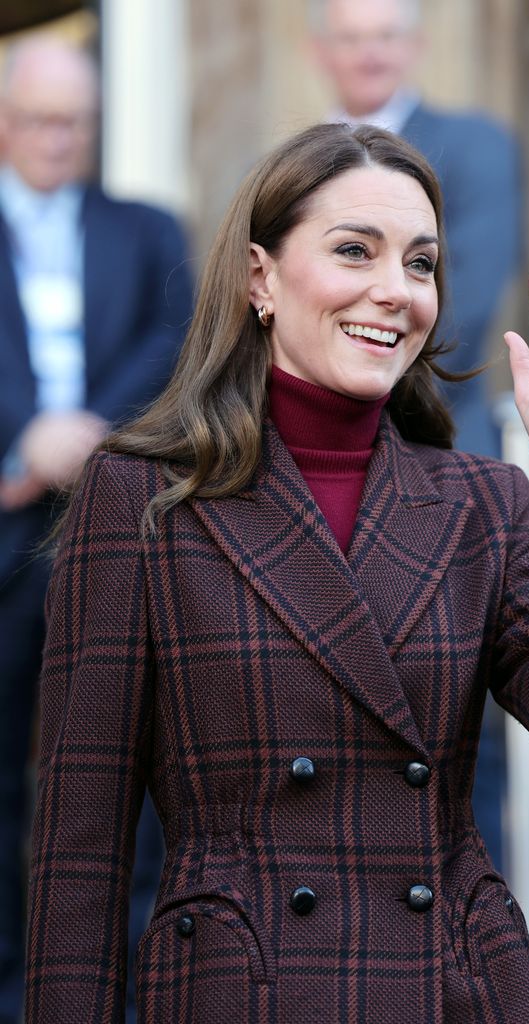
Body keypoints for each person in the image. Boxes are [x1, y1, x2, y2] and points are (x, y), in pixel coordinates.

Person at [26, 123, 529, 1024]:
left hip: (457, 988)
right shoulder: (141, 496)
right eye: (353, 251)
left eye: (421, 263)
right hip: (243, 990)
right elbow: (81, 843)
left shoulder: (480, 498)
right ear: (260, 278)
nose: (393, 291)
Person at [0, 37, 193, 1024]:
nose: (57, 139)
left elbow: (174, 341)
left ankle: (129, 980)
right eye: (38, 119)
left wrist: (81, 436)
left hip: (119, 528)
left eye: (73, 121)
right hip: (4, 527)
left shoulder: (150, 230)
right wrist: (22, 444)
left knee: (133, 759)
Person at [309, 0, 523, 871]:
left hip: (439, 459)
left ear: (417, 46)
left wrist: (342, 368)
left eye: (386, 34)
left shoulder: (471, 148)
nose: (369, 53)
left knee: (460, 723)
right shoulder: (289, 166)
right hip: (308, 468)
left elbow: (459, 306)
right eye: (351, 36)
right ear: (320, 51)